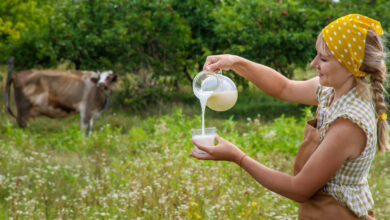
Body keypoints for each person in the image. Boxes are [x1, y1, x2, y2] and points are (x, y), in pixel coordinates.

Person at [190, 14, 388, 219]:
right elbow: (284, 87)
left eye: (323, 58)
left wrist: (237, 157)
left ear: (350, 65)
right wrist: (235, 62)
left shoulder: (349, 123)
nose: (313, 63)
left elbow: (299, 189)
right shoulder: (333, 91)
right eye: (316, 55)